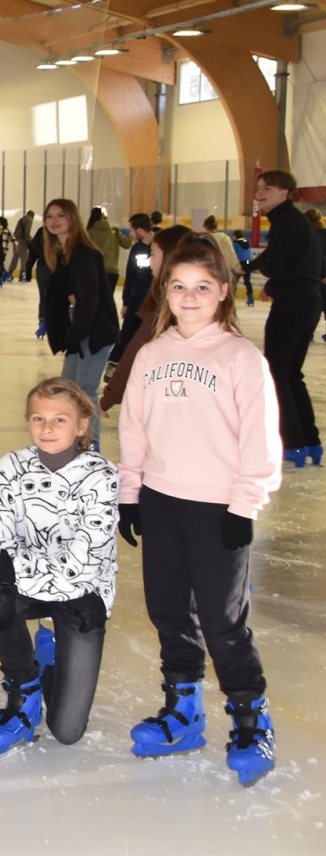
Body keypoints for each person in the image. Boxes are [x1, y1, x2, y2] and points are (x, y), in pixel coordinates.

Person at [118, 236, 281, 785]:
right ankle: (183, 710)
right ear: (165, 290)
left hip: (218, 509)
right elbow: (134, 428)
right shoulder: (152, 353)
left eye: (202, 288)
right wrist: (130, 493)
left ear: (224, 293)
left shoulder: (240, 358)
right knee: (168, 612)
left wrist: (245, 503)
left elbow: (260, 439)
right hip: (162, 501)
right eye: (180, 286)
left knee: (222, 620)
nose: (189, 297)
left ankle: (250, 718)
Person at [0, 377, 117, 756]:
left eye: (60, 420)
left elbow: (80, 567)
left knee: (67, 730)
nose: (47, 428)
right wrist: (0, 572)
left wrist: (5, 569)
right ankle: (23, 690)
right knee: (2, 597)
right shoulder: (11, 467)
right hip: (29, 589)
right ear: (27, 422)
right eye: (38, 418)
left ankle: (51, 646)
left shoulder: (102, 476)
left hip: (83, 599)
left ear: (81, 426)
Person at [246, 170, 322, 465]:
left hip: (293, 303)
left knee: (278, 372)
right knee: (291, 373)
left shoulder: (285, 222)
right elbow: (298, 263)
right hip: (306, 300)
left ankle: (292, 443)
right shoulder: (297, 222)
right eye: (259, 188)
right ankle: (310, 441)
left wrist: (246, 269)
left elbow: (275, 261)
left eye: (268, 188)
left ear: (285, 192)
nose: (260, 193)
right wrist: (272, 281)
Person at [39, 199, 118, 448]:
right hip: (80, 327)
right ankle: (78, 443)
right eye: (49, 216)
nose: (54, 221)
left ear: (73, 218)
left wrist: (76, 332)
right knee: (70, 391)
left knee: (84, 392)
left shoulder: (84, 253)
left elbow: (90, 300)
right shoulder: (64, 254)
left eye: (61, 215)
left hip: (93, 331)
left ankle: (90, 445)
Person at [100, 226, 192, 417]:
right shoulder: (179, 296)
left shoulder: (166, 301)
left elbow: (138, 350)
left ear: (169, 256)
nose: (150, 260)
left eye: (153, 254)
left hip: (168, 399)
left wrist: (110, 395)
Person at [109, 214, 156, 369]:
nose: (130, 234)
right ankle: (116, 362)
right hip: (137, 299)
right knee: (128, 332)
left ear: (140, 231)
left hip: (154, 301)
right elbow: (131, 276)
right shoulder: (137, 248)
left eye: (131, 230)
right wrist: (126, 302)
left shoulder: (161, 246)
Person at [88, 206, 130, 295]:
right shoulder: (114, 231)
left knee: (94, 298)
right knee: (108, 299)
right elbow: (127, 244)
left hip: (94, 269)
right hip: (112, 270)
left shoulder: (88, 232)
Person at [202, 214, 240, 282]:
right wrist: (238, 268)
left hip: (204, 272)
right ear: (216, 227)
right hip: (221, 271)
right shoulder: (224, 238)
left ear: (205, 227)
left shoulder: (201, 238)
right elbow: (231, 256)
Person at [11, 211, 34, 281]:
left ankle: (9, 273)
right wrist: (31, 242)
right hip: (22, 241)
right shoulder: (29, 220)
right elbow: (27, 233)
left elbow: (15, 231)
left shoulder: (21, 219)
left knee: (15, 257)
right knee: (24, 258)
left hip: (16, 241)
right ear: (32, 215)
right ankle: (22, 275)